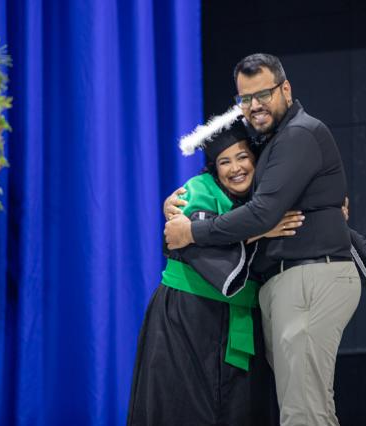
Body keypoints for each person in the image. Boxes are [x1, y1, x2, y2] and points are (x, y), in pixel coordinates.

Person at [164, 53, 360, 426]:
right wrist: (177, 204)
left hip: (307, 277)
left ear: (285, 89)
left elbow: (261, 213)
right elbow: (254, 210)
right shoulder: (275, 141)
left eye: (263, 94)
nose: (255, 105)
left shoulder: (298, 134)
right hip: (290, 282)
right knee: (304, 405)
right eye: (245, 98)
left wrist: (192, 231)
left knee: (304, 410)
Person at [128, 107, 301, 426]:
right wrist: (261, 231)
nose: (236, 168)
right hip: (187, 318)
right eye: (225, 161)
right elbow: (193, 243)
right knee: (184, 407)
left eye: (242, 157)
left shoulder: (266, 197)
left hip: (240, 321)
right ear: (214, 168)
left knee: (240, 410)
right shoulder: (195, 193)